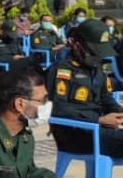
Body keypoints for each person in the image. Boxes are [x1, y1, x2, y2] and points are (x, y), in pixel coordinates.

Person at [46, 19, 123, 157]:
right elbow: (57, 108)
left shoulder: (96, 69)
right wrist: (99, 120)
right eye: (94, 53)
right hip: (74, 134)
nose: (98, 57)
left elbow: (107, 100)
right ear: (76, 45)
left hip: (99, 129)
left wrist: (119, 113)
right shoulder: (62, 70)